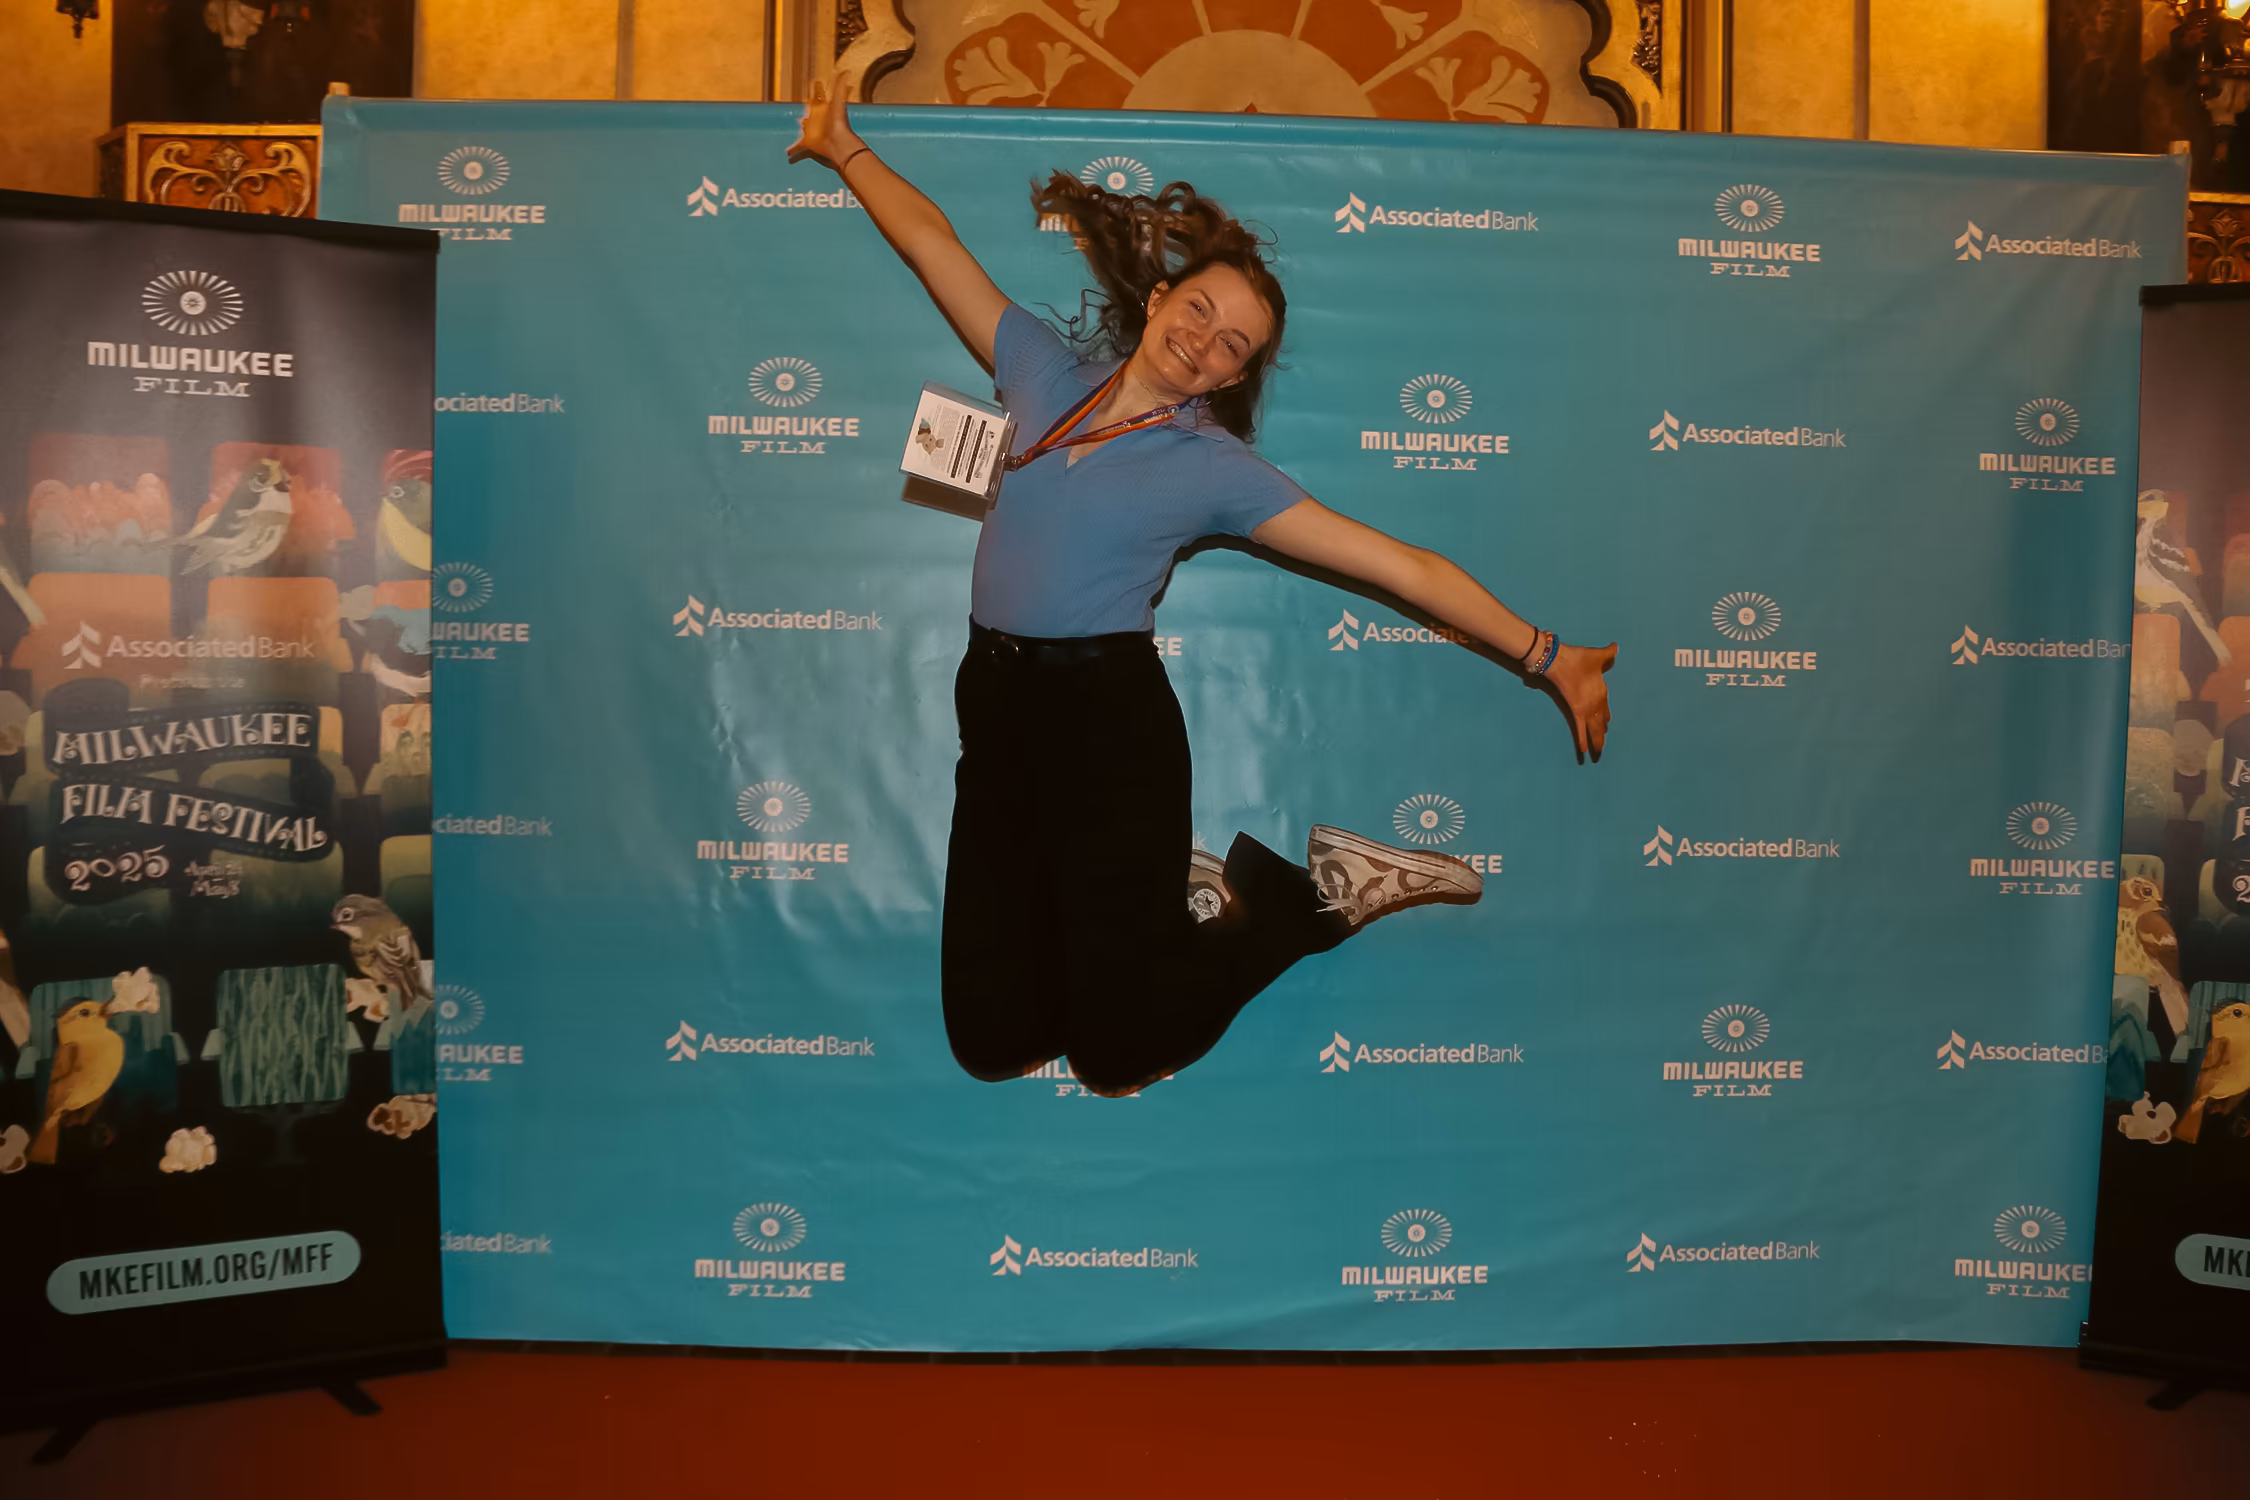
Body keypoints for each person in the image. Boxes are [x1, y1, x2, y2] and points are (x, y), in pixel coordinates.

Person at [790, 80, 1617, 1098]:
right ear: (1159, 301)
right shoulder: (1041, 371)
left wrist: (1548, 656)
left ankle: (1309, 900)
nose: (1206, 341)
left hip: (1109, 729)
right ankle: (1169, 908)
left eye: (1235, 346)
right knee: (991, 1039)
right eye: (1202, 311)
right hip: (997, 714)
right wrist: (842, 148)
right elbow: (934, 245)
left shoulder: (1212, 468)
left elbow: (1403, 567)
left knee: (1118, 1058)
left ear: (1231, 380)